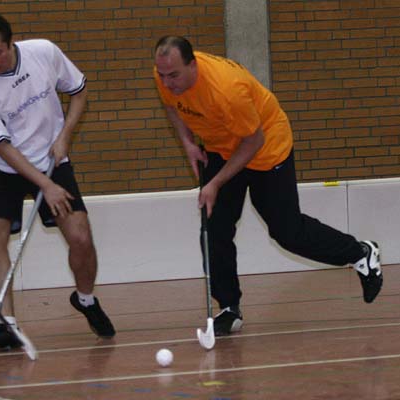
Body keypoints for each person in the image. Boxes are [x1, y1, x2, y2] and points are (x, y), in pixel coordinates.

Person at [153, 36, 383, 337]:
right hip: (222, 148)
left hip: (265, 148)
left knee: (287, 232)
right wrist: (188, 143)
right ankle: (229, 307)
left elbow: (254, 141)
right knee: (215, 227)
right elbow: (171, 105)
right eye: (162, 75)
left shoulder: (226, 90)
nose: (167, 82)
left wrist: (215, 182)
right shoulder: (164, 72)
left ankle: (360, 252)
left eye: (173, 76)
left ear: (192, 65)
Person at [0, 12, 115, 354]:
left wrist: (64, 136)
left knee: (80, 236)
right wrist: (44, 187)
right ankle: (6, 325)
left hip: (52, 158)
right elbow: (2, 146)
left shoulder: (44, 52)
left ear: (11, 43)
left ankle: (86, 299)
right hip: (5, 166)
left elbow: (79, 92)